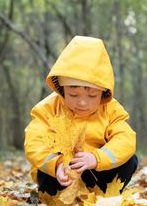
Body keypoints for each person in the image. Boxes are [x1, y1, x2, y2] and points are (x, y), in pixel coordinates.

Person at [24, 35, 138, 196]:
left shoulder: (111, 110)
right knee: (45, 174)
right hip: (61, 173)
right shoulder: (48, 109)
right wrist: (55, 166)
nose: (82, 103)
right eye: (73, 95)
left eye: (92, 96)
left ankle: (103, 195)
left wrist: (97, 158)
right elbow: (34, 142)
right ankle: (54, 195)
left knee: (130, 160)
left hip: (97, 171)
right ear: (62, 89)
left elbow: (125, 139)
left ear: (103, 92)